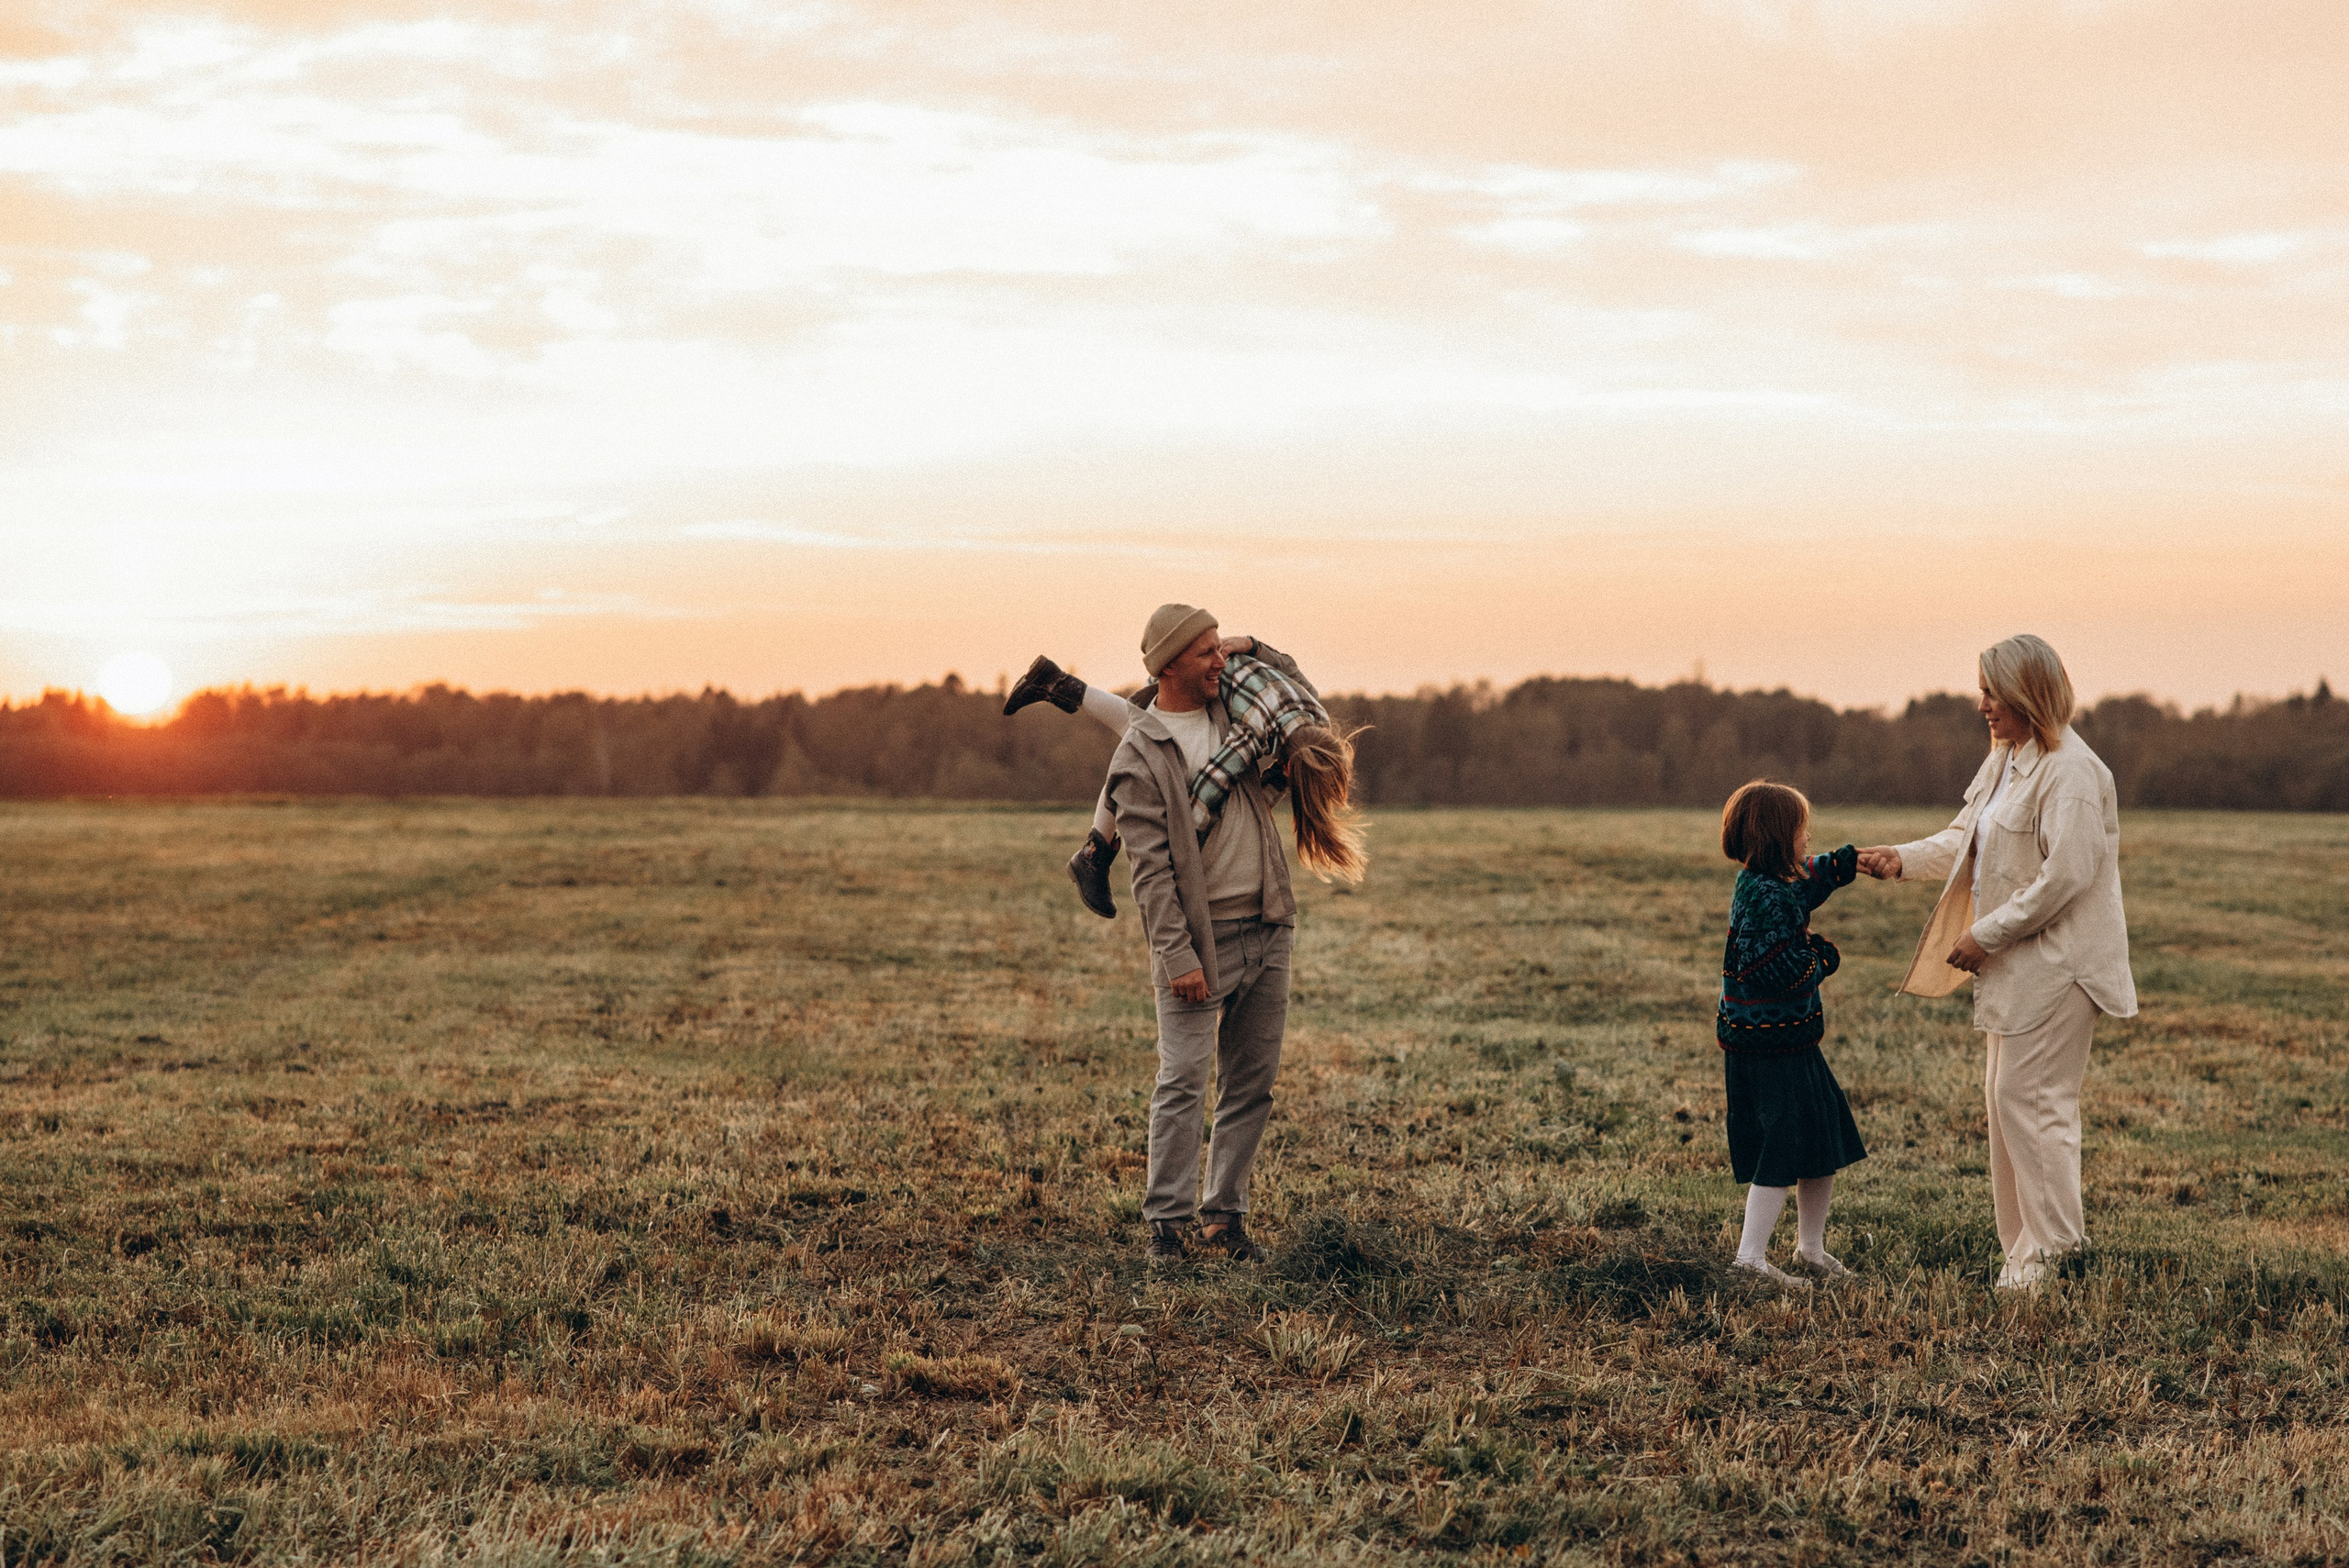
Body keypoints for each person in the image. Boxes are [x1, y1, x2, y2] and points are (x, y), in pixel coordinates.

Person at [1857, 634, 2134, 1291]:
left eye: (1992, 691)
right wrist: (1901, 858)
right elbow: (1966, 838)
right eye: (1982, 690)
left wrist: (1987, 933)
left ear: (2026, 693)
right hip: (2018, 963)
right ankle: (2023, 1257)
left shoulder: (2070, 771)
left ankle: (2060, 1256)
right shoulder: (2008, 759)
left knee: (2035, 1102)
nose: (1981, 704)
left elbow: (2067, 874)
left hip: (2061, 966)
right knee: (2003, 1100)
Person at [1055, 604, 1309, 1263]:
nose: (1221, 660)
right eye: (1206, 652)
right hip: (1201, 942)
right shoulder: (1137, 752)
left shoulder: (1236, 713)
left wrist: (1250, 640)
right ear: (1169, 665)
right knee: (1184, 1083)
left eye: (1222, 648)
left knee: (1251, 1084)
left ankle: (1225, 1219)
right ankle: (1166, 1226)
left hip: (1269, 926)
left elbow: (1297, 689)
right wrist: (1177, 955)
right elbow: (1151, 872)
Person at [1000, 640, 1366, 918]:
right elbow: (1212, 785)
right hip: (1197, 678)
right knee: (1142, 736)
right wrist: (1182, 847)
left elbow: (1288, 665)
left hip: (1214, 664)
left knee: (1136, 727)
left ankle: (1058, 684)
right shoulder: (1256, 728)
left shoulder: (1315, 713)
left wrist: (1253, 645)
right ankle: (1093, 854)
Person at [1716, 780, 1868, 1288]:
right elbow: (1775, 969)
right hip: (1766, 1048)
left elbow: (1805, 881)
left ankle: (1810, 1248)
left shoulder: (1771, 884)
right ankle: (1750, 1257)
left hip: (1790, 1042)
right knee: (1780, 1147)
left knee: (1820, 1137)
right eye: (1804, 832)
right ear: (1781, 837)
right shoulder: (1762, 897)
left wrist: (1847, 863)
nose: (1810, 840)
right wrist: (1821, 957)